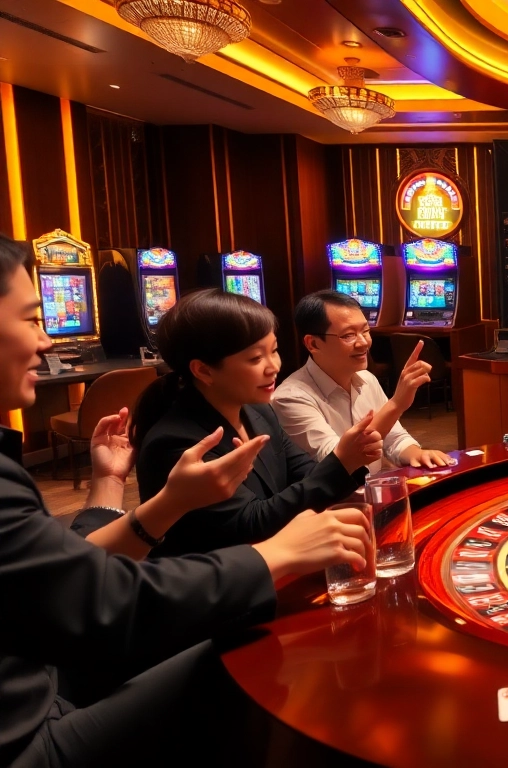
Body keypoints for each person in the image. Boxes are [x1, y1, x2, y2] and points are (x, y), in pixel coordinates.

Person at [0, 234, 373, 766]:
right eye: (31, 319)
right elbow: (103, 601)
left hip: (52, 672)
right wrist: (277, 553)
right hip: (31, 734)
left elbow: (69, 569)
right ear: (203, 368)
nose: (45, 341)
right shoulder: (180, 438)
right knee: (267, 659)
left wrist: (111, 487)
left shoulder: (261, 413)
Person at [134, 289, 384, 557]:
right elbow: (251, 523)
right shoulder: (177, 443)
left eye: (274, 351)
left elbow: (306, 473)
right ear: (204, 370)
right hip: (212, 587)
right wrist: (342, 461)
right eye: (256, 358)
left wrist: (343, 464)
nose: (273, 366)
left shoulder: (259, 412)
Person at [273, 290, 455, 472]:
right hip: (335, 500)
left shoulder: (367, 379)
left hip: (372, 492)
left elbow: (395, 439)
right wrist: (397, 404)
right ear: (313, 344)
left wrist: (417, 453)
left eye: (365, 331)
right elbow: (339, 464)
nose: (364, 343)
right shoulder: (290, 398)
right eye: (348, 335)